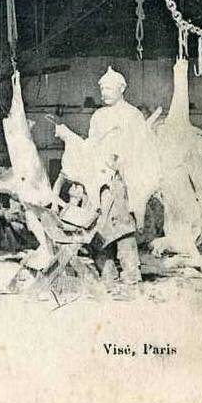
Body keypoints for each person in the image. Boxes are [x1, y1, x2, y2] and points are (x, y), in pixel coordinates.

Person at [54, 67, 146, 285]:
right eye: (102, 88)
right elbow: (90, 146)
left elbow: (142, 146)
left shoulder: (133, 115)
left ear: (122, 89)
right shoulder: (98, 116)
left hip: (119, 178)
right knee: (95, 226)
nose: (104, 92)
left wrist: (122, 161)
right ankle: (107, 271)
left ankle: (131, 272)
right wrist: (69, 137)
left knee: (121, 226)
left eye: (108, 88)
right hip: (96, 179)